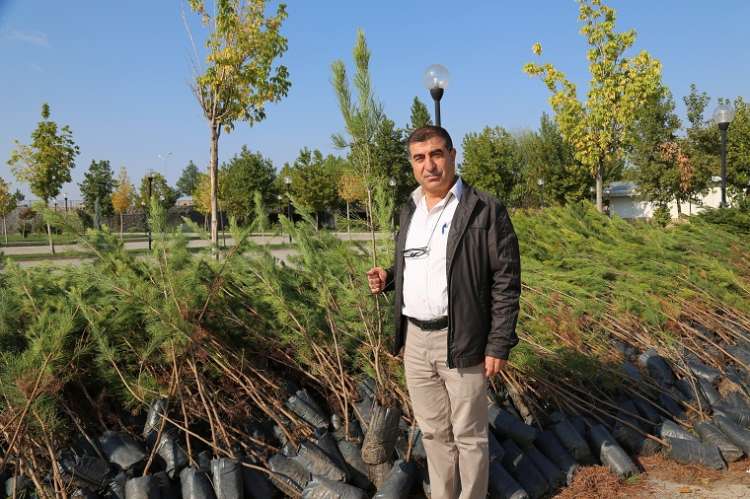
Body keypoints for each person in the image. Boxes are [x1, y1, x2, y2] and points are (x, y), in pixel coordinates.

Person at [366, 126, 521, 499]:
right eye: (420, 158)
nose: (429, 165)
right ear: (412, 164)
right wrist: (389, 277)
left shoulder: (484, 209)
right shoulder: (410, 209)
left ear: (452, 155)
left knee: (469, 434)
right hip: (416, 341)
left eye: (436, 154)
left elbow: (506, 279)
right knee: (434, 432)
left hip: (463, 337)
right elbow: (418, 263)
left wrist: (498, 343)